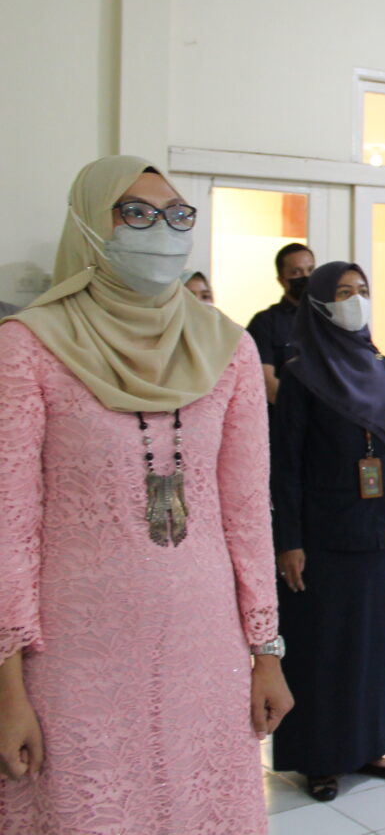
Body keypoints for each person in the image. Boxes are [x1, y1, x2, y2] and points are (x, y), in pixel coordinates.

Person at [0, 156, 292, 834]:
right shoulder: (28, 348)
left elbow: (248, 516)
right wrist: (7, 685)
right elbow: (10, 527)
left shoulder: (227, 349)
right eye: (135, 212)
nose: (161, 230)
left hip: (205, 648)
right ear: (87, 222)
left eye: (177, 215)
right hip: (73, 656)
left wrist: (267, 653)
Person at [270, 261, 385, 801]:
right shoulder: (301, 375)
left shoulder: (382, 369)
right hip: (322, 537)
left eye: (362, 290)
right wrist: (288, 541)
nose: (355, 300)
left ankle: (368, 746)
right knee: (323, 646)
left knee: (372, 645)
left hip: (376, 531)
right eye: (342, 292)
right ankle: (319, 757)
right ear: (318, 303)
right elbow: (285, 466)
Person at [247, 242, 316, 405]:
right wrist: (302, 411)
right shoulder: (265, 322)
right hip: (285, 414)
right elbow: (266, 381)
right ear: (282, 280)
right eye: (296, 272)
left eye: (310, 270)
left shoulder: (329, 319)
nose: (306, 276)